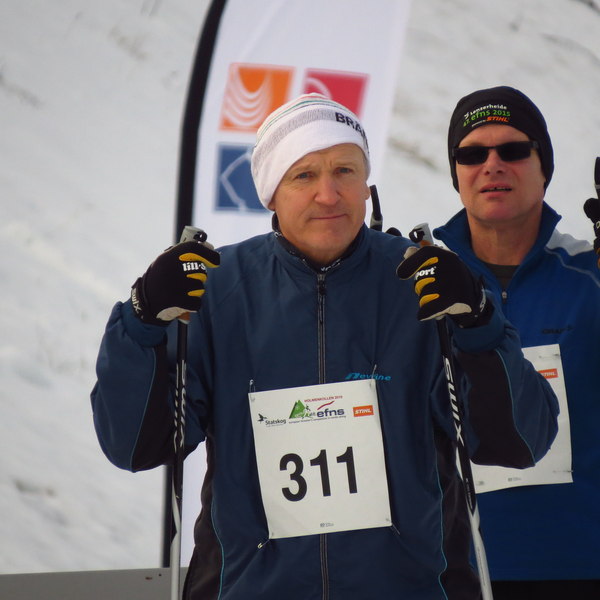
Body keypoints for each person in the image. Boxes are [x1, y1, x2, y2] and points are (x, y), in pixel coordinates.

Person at [91, 93, 558, 600]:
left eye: (344, 171)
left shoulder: (425, 282)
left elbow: (519, 442)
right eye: (304, 175)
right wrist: (141, 320)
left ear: (367, 185)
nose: (329, 195)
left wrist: (480, 323)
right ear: (271, 193)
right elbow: (135, 446)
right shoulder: (216, 290)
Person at [434, 85, 600, 599]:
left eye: (512, 150)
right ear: (457, 172)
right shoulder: (424, 290)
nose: (492, 165)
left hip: (583, 563)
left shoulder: (590, 275)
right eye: (472, 154)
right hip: (455, 572)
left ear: (543, 167)